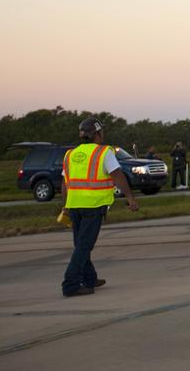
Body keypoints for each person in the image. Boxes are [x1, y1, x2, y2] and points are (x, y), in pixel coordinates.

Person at [59, 118, 139, 297]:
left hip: (74, 206)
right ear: (96, 134)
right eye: (101, 132)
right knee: (84, 246)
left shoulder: (70, 154)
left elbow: (64, 183)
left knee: (80, 244)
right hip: (93, 206)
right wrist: (130, 197)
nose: (102, 135)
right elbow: (117, 175)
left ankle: (89, 278)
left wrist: (65, 206)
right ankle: (70, 284)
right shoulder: (104, 152)